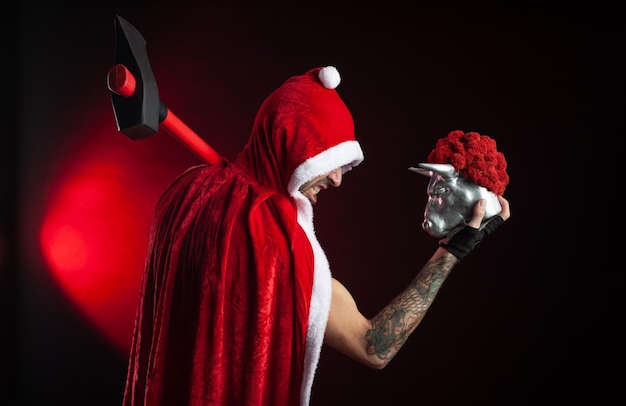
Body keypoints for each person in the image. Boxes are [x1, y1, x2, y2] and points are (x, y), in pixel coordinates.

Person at [121, 66, 511, 406]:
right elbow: (373, 346)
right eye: (329, 161)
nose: (338, 179)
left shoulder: (186, 194)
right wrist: (452, 251)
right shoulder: (279, 245)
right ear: (298, 148)